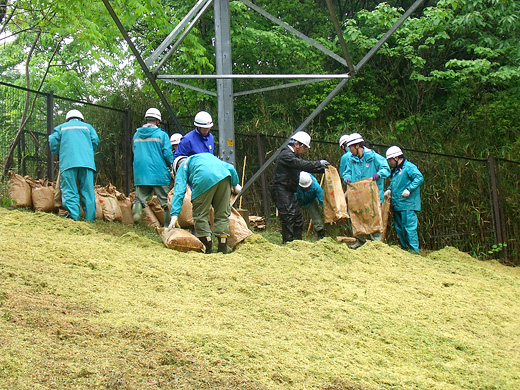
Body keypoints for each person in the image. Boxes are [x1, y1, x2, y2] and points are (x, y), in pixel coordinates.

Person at [169, 153, 241, 254]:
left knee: (200, 214)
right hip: (225, 177)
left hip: (203, 178)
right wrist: (235, 183)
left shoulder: (183, 166)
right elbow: (230, 167)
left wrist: (174, 214)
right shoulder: (205, 157)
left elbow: (179, 190)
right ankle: (223, 247)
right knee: (222, 214)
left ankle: (207, 247)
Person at [271, 131, 330, 243]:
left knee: (297, 219)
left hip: (288, 190)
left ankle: (297, 243)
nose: (305, 151)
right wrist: (318, 163)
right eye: (305, 147)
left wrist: (323, 169)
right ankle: (288, 243)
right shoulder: (286, 154)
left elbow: (303, 166)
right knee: (289, 216)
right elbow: (301, 164)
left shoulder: (292, 155)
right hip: (281, 189)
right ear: (297, 144)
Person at [49, 109, 99, 221]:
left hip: (68, 162)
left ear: (68, 119)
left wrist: (57, 152)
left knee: (70, 189)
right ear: (81, 118)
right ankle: (90, 219)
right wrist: (89, 152)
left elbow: (52, 140)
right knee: (88, 190)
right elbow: (95, 140)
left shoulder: (61, 127)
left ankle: (74, 216)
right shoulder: (88, 127)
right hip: (87, 163)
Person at [342, 132, 390, 246]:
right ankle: (360, 240)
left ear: (357, 146)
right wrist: (347, 177)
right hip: (357, 194)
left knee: (373, 216)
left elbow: (386, 168)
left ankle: (376, 243)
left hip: (372, 194)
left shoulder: (373, 157)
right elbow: (347, 171)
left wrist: (379, 174)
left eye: (351, 147)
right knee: (358, 215)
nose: (349, 150)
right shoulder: (351, 159)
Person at [132, 108, 173, 227]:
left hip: (141, 172)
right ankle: (167, 226)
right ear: (158, 121)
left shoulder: (136, 135)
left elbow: (134, 150)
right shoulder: (162, 135)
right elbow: (167, 154)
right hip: (158, 172)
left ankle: (136, 216)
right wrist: (170, 164)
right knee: (165, 201)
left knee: (139, 199)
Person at [384, 146, 424, 252]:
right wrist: (389, 190)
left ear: (396, 158)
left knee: (409, 228)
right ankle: (404, 249)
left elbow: (419, 177)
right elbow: (394, 184)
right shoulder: (395, 171)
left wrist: (409, 189)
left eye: (390, 160)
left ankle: (414, 251)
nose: (390, 163)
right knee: (399, 228)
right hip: (398, 204)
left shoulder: (409, 167)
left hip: (408, 204)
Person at [296, 171, 325, 239]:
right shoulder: (294, 182)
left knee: (315, 214)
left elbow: (322, 200)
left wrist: (326, 210)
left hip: (311, 200)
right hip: (297, 199)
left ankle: (320, 232)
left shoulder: (316, 186)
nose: (306, 188)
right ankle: (296, 232)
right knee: (293, 215)